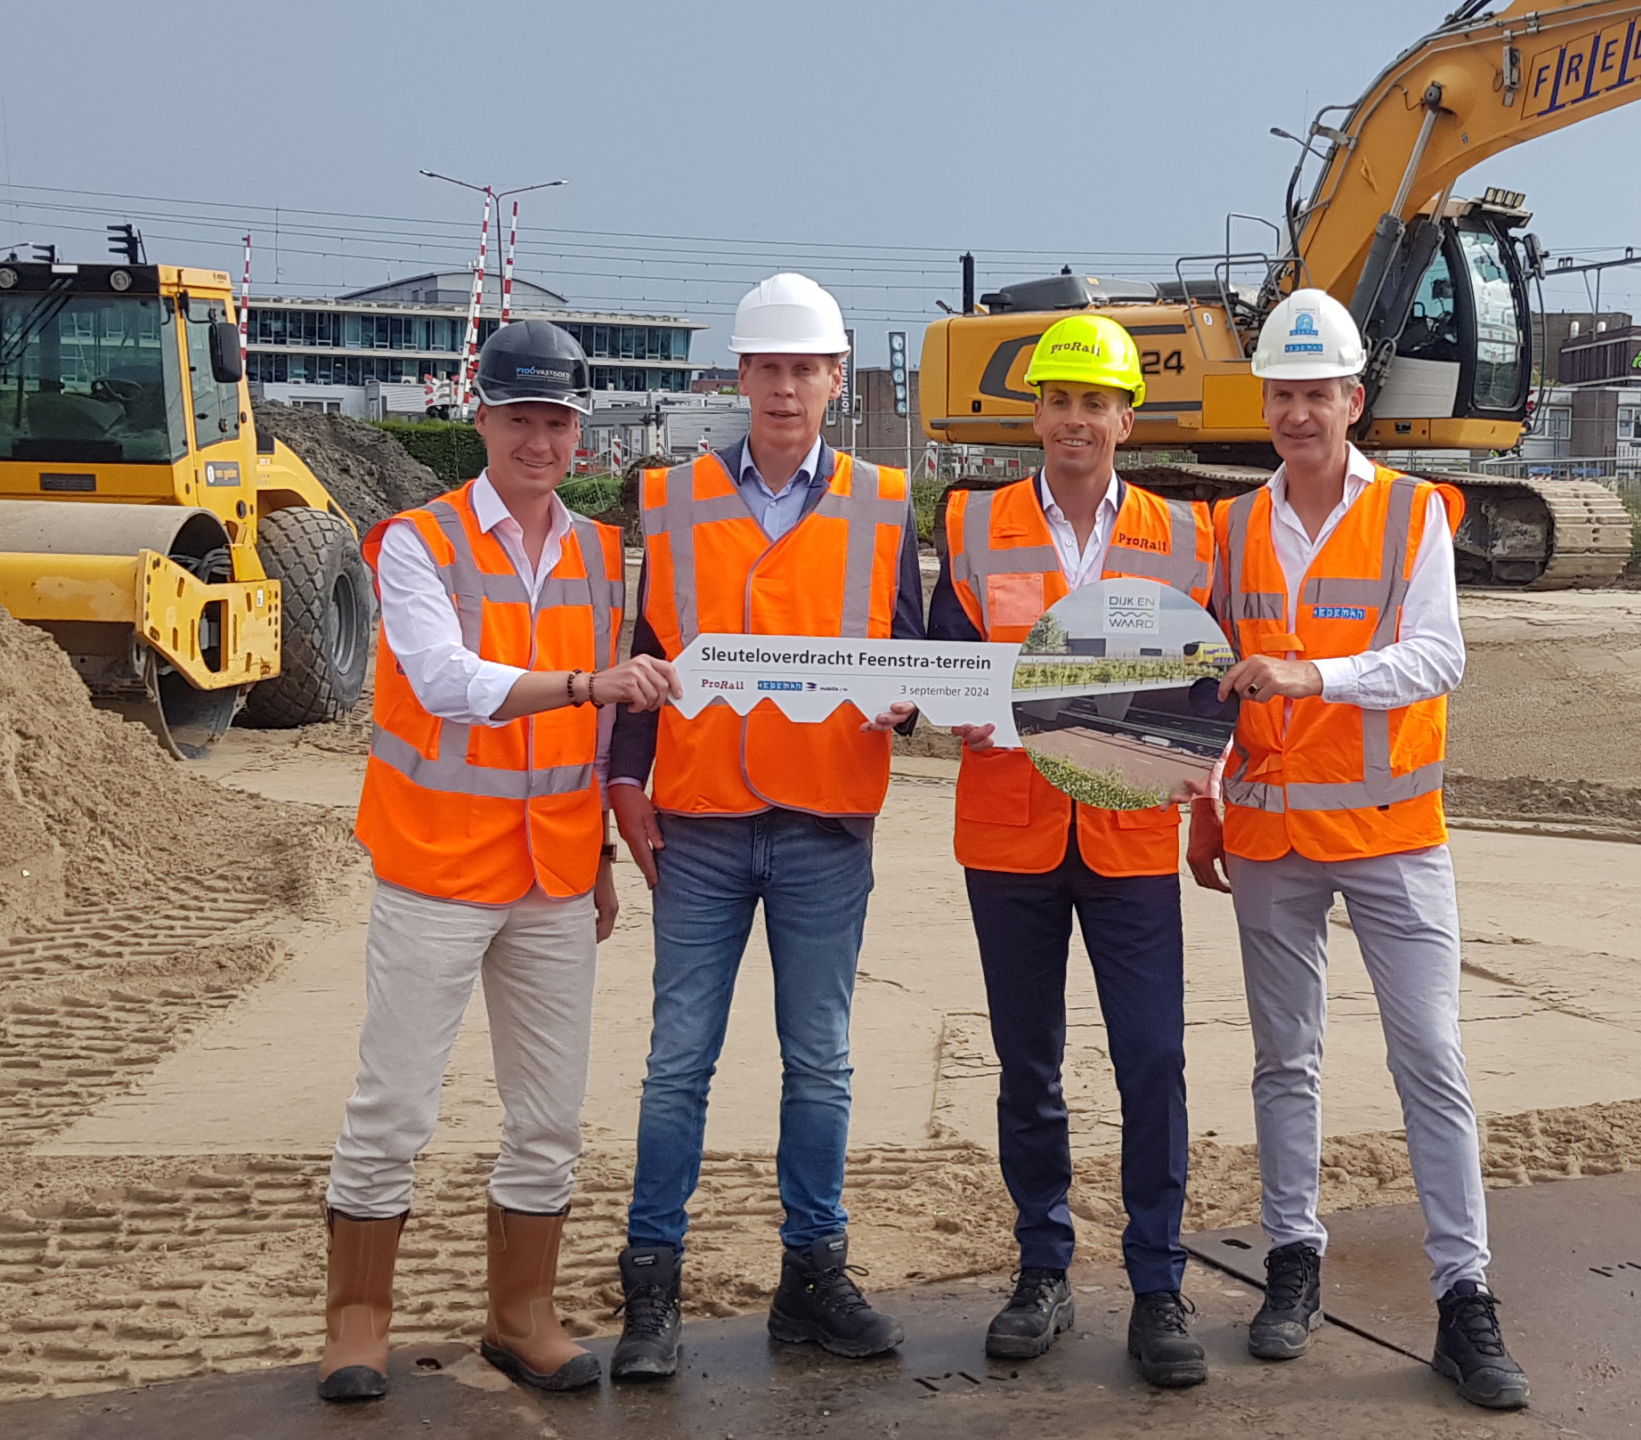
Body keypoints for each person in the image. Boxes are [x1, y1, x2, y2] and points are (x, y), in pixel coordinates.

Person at [317, 320, 681, 1402]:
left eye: (558, 421)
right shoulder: (415, 540)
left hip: (558, 869)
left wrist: (605, 851)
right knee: (394, 1105)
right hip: (436, 865)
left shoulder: (597, 552)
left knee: (550, 1113)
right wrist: (583, 686)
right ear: (481, 419)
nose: (540, 438)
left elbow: (604, 737)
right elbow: (441, 682)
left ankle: (521, 1314)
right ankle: (356, 1319)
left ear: (581, 434)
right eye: (521, 416)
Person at [1186, 288, 1530, 1410]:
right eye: (1281, 395)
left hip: (1390, 839)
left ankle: (1463, 1300)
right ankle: (1291, 1265)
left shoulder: (1414, 514)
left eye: (1315, 394)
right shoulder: (1231, 528)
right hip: (1271, 836)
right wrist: (1201, 795)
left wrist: (1314, 675)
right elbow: (1204, 685)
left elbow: (1439, 658)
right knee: (1283, 1061)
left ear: (1354, 401)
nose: (1297, 413)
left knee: (1429, 1060)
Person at [604, 273, 925, 1380]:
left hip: (825, 823)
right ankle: (651, 1287)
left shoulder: (885, 503)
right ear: (738, 375)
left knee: (820, 1064)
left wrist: (915, 700)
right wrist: (625, 787)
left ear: (836, 378)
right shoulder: (676, 498)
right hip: (697, 820)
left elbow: (912, 653)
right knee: (676, 1062)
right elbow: (649, 653)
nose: (786, 387)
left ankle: (813, 1278)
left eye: (806, 368)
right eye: (768, 367)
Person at [927, 313, 1216, 1388]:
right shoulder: (973, 522)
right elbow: (946, 654)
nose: (1075, 421)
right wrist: (947, 700)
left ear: (1127, 420)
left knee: (1153, 1060)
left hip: (1130, 830)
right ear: (1034, 415)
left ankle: (1156, 1285)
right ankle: (1042, 1268)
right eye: (1059, 401)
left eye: (1096, 402)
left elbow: (1201, 679)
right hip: (1009, 833)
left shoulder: (1188, 538)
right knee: (1029, 1065)